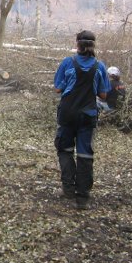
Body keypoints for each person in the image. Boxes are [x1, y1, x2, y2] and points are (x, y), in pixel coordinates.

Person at [54, 30, 110, 210]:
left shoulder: (67, 63)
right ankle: (83, 197)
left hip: (68, 113)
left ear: (77, 44)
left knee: (64, 149)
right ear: (94, 46)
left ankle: (68, 189)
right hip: (88, 114)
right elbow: (103, 94)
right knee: (85, 154)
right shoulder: (99, 66)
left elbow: (57, 88)